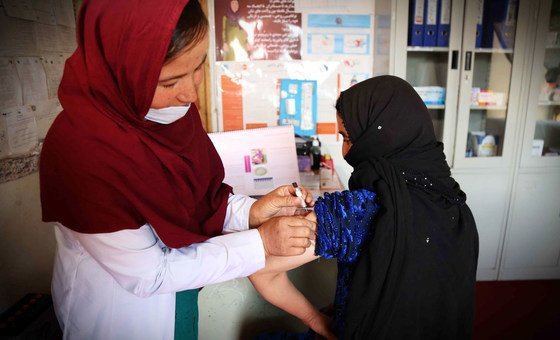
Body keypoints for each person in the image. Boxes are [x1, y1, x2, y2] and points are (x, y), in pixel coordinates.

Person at [39, 1, 316, 339]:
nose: (190, 93)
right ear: (121, 70)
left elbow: (199, 197)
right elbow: (150, 275)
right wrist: (261, 242)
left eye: (198, 66)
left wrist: (252, 212)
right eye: (169, 83)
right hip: (124, 316)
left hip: (182, 293)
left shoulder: (171, 113)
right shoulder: (83, 151)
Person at [249, 75, 479, 339]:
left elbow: (260, 271)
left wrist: (319, 322)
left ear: (377, 136)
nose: (345, 151)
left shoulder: (356, 212)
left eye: (347, 137)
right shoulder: (456, 205)